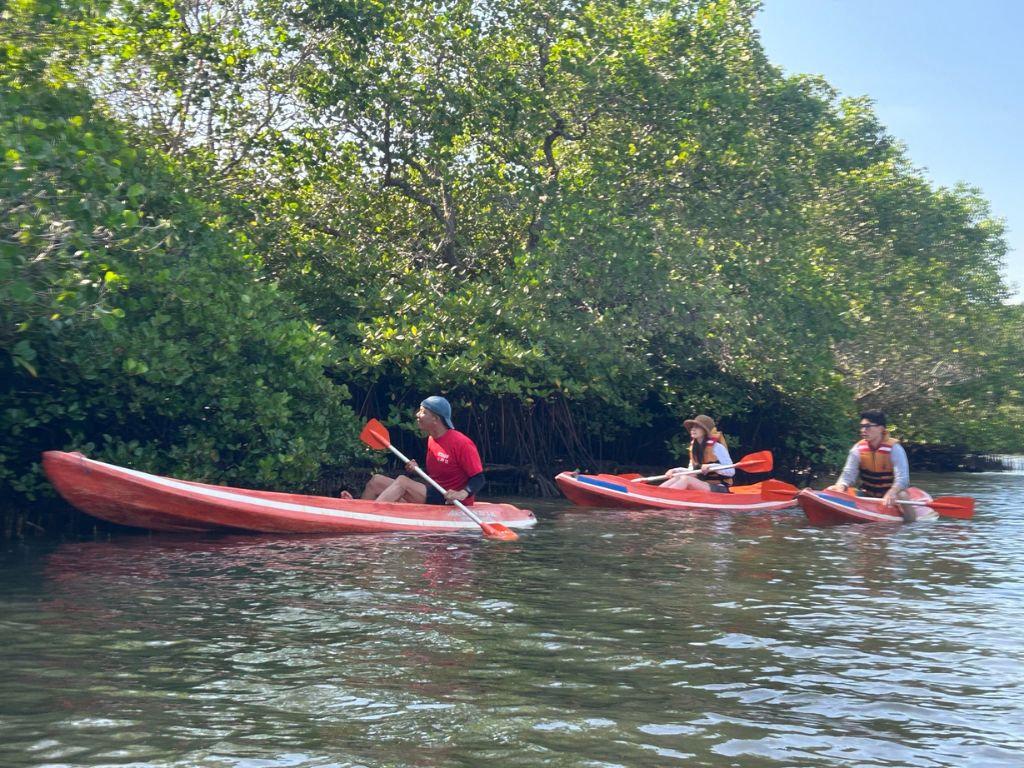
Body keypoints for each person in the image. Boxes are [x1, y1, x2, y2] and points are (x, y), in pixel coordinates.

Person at [345, 396, 486, 505]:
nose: (417, 415)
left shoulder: (461, 443)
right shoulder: (432, 438)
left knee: (403, 481)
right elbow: (442, 473)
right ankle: (361, 509)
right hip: (434, 492)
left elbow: (479, 478)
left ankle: (371, 514)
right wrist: (417, 469)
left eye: (423, 412)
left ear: (435, 419)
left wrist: (462, 493)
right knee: (376, 481)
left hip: (450, 500)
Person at [825, 408, 914, 521]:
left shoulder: (895, 449)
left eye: (867, 426)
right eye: (861, 427)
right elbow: (848, 475)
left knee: (903, 495)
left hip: (892, 495)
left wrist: (891, 493)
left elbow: (903, 479)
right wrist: (841, 486)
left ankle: (911, 524)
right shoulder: (857, 449)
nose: (863, 430)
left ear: (881, 428)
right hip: (867, 494)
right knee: (832, 489)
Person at [660, 414, 735, 493]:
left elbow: (731, 471)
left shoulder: (717, 447)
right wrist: (674, 471)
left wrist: (711, 466)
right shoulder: (694, 448)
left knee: (686, 479)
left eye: (697, 427)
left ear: (705, 431)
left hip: (719, 487)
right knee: (679, 476)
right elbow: (691, 472)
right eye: (692, 427)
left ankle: (665, 496)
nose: (693, 429)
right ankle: (657, 493)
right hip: (703, 484)